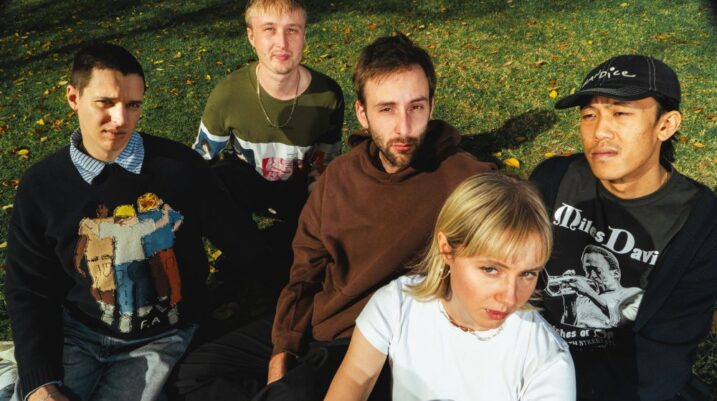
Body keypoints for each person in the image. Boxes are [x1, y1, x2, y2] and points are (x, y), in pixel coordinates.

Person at [171, 33, 495, 401]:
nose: (403, 127)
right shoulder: (340, 176)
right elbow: (305, 269)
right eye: (386, 109)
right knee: (192, 376)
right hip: (319, 324)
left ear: (432, 106)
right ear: (362, 113)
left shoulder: (464, 180)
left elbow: (509, 245)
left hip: (381, 346)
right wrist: (284, 349)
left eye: (416, 107)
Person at [3, 42, 262, 401]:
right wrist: (39, 383)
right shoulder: (41, 186)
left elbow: (246, 246)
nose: (121, 119)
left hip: (160, 339)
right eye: (105, 103)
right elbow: (28, 290)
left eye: (132, 105)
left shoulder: (179, 169)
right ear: (73, 97)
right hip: (76, 335)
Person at [531, 54, 717, 400]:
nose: (599, 131)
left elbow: (663, 354)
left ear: (666, 125)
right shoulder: (553, 179)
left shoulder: (700, 222)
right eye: (589, 115)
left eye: (620, 113)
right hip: (532, 365)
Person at [325, 173, 575, 401]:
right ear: (447, 249)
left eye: (527, 274)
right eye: (491, 270)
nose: (510, 297)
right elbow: (356, 376)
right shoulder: (397, 304)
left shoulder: (546, 359)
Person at [192, 0, 344, 298]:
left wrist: (319, 216)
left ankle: (282, 253)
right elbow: (199, 163)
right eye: (269, 30)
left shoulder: (328, 95)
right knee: (216, 180)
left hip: (297, 189)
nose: (282, 43)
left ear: (304, 34)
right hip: (247, 183)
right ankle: (249, 256)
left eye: (292, 30)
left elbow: (324, 164)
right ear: (251, 36)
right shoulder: (228, 94)